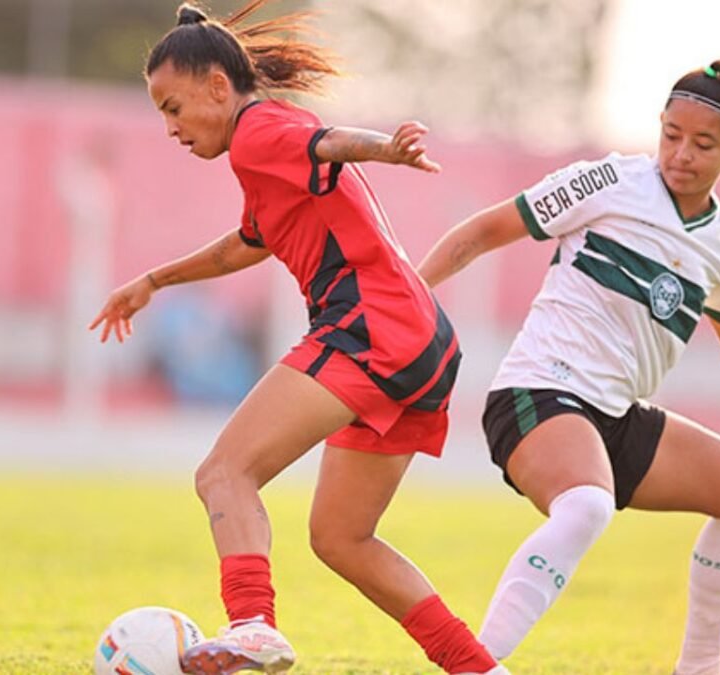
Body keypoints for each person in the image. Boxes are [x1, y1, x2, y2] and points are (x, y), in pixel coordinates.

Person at [89, 2, 506, 674]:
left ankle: (252, 625)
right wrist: (155, 280)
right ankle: (479, 668)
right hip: (422, 340)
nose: (170, 127)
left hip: (369, 327)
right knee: (342, 537)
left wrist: (385, 149)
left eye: (173, 107)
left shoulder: (259, 131)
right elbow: (247, 242)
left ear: (217, 87)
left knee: (224, 473)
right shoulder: (261, 153)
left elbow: (327, 143)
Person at [416, 60, 720, 674]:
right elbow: (485, 230)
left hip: (613, 417)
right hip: (538, 392)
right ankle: (478, 664)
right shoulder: (608, 180)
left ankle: (699, 667)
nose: (681, 154)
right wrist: (408, 293)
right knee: (586, 506)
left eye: (702, 144)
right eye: (671, 135)